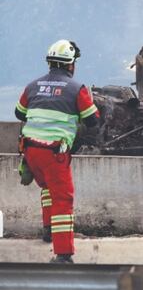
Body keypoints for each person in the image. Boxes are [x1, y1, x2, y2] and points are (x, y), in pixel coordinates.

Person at [14, 40, 100, 263]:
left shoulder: (32, 86)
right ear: (71, 64)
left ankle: (48, 230)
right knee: (63, 198)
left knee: (47, 187)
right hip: (53, 152)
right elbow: (92, 120)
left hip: (30, 151)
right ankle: (63, 254)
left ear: (50, 63)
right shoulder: (76, 89)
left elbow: (19, 113)